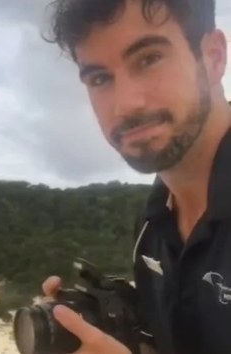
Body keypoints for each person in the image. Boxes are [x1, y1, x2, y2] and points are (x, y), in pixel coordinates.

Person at [42, 0, 231, 353]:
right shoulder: (152, 227)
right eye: (100, 78)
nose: (126, 104)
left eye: (149, 59)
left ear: (214, 57)